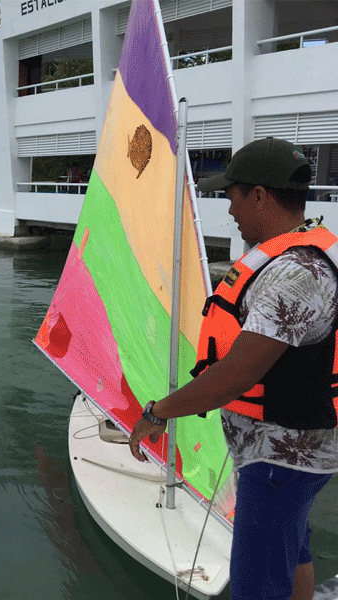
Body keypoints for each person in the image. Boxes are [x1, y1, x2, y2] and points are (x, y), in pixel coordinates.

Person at [128, 138, 338, 600]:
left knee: (256, 587)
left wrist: (157, 413)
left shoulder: (296, 274)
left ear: (259, 195)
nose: (229, 209)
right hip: (291, 455)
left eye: (232, 195)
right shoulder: (294, 257)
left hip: (280, 459)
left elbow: (235, 377)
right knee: (293, 551)